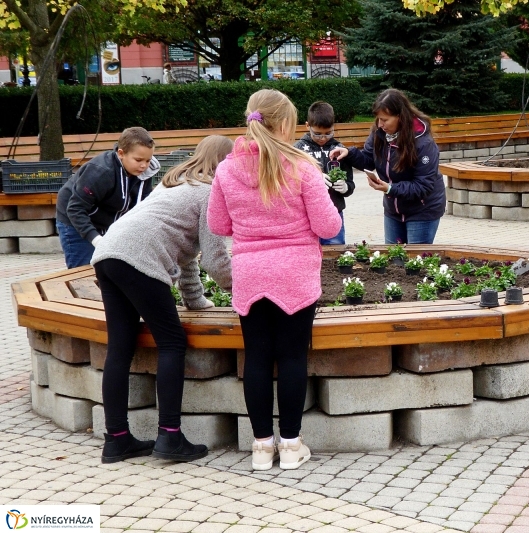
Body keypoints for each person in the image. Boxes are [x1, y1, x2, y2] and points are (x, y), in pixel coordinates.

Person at [207, 89, 341, 471]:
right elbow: (329, 225)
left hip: (250, 273)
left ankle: (262, 449)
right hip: (296, 272)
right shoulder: (301, 167)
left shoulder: (227, 169)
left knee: (258, 360)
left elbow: (218, 224)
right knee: (294, 357)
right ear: (284, 124)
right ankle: (292, 447)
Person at [91, 135, 234, 463]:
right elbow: (214, 261)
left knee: (120, 348)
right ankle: (169, 436)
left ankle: (116, 440)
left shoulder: (174, 184)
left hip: (108, 254)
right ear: (226, 165)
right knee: (171, 342)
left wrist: (195, 300)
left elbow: (185, 254)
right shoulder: (211, 193)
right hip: (139, 260)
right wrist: (245, 289)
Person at [329, 88, 445, 244]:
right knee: (393, 261)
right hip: (393, 210)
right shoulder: (379, 132)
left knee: (416, 264)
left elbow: (423, 186)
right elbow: (368, 160)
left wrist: (390, 188)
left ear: (400, 117)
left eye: (385, 119)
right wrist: (348, 153)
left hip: (422, 211)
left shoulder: (423, 143)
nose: (380, 124)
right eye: (378, 119)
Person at [56, 127, 160, 269]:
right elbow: (75, 208)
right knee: (84, 272)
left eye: (148, 160)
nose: (144, 165)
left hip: (106, 219)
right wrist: (96, 240)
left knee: (111, 270)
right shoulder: (101, 172)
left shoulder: (144, 172)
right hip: (74, 219)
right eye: (138, 160)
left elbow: (142, 207)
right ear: (121, 153)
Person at [294, 101, 355, 245]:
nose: (323, 138)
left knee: (335, 256)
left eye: (328, 133)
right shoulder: (298, 150)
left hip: (333, 213)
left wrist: (346, 187)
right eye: (317, 134)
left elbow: (350, 182)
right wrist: (312, 180)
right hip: (305, 217)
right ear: (307, 125)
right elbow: (291, 183)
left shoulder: (339, 149)